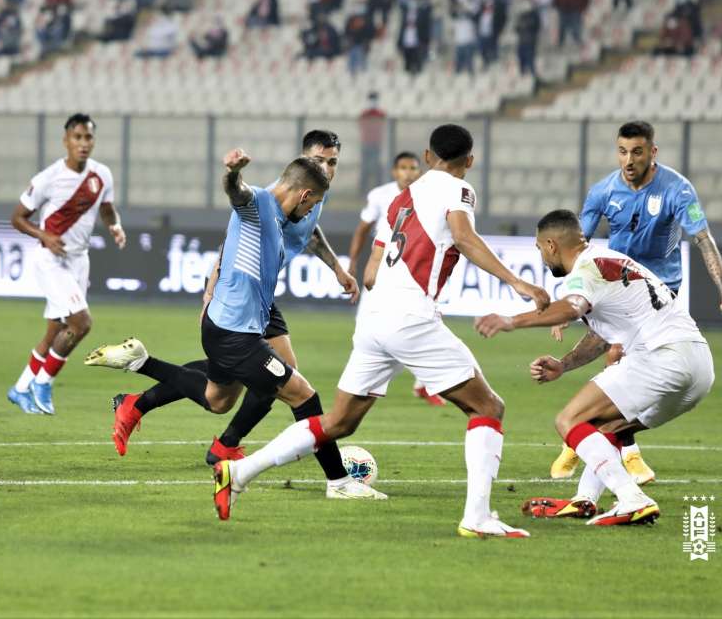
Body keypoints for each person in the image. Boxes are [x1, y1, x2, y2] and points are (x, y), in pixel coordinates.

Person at [212, 124, 550, 536]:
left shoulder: (401, 198)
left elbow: (373, 267)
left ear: (427, 158)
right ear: (470, 161)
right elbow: (464, 237)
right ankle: (477, 517)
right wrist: (517, 282)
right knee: (488, 408)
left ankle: (239, 472)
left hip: (375, 318)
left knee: (338, 422)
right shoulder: (459, 190)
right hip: (410, 317)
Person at [86, 132, 376, 501]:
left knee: (217, 399)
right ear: (304, 192)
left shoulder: (293, 207)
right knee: (303, 395)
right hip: (235, 329)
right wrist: (233, 172)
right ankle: (337, 480)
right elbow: (237, 194)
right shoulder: (260, 204)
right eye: (312, 202)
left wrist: (336, 268)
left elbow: (302, 232)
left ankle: (141, 366)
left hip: (238, 322)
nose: (311, 211)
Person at [475, 209, 714, 526]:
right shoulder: (608, 261)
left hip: (661, 355)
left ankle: (633, 499)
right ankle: (585, 499)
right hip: (699, 366)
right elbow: (602, 336)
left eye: (539, 249)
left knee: (569, 419)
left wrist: (511, 321)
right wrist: (563, 364)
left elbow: (572, 308)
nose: (542, 257)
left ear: (551, 245)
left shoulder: (585, 269)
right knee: (608, 429)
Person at [548, 121, 722, 484]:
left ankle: (602, 441)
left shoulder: (677, 189)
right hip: (616, 284)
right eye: (622, 152)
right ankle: (620, 448)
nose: (629, 160)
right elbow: (575, 246)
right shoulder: (602, 191)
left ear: (652, 152)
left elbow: (703, 239)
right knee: (616, 355)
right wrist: (567, 302)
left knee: (622, 356)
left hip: (660, 287)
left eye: (637, 152)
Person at [6, 114, 124, 416]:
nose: (83, 143)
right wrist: (44, 235)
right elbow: (17, 218)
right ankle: (43, 382)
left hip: (79, 260)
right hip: (51, 260)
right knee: (81, 323)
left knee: (56, 330)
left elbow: (107, 208)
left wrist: (114, 226)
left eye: (88, 138)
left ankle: (20, 388)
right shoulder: (49, 178)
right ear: (66, 141)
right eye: (77, 137)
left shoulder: (102, 175)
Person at [347, 152, 445, 407]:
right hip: (381, 266)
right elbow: (362, 230)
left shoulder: (427, 195)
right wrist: (353, 261)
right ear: (394, 171)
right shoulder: (380, 195)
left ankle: (422, 383)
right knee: (368, 322)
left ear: (419, 171)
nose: (408, 173)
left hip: (411, 270)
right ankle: (365, 378)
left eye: (413, 168)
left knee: (414, 322)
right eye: (403, 168)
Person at [358, 92, 386, 197]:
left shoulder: (380, 114)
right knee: (365, 168)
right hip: (366, 144)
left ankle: (379, 190)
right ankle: (362, 191)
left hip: (376, 144)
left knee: (377, 168)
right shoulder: (364, 114)